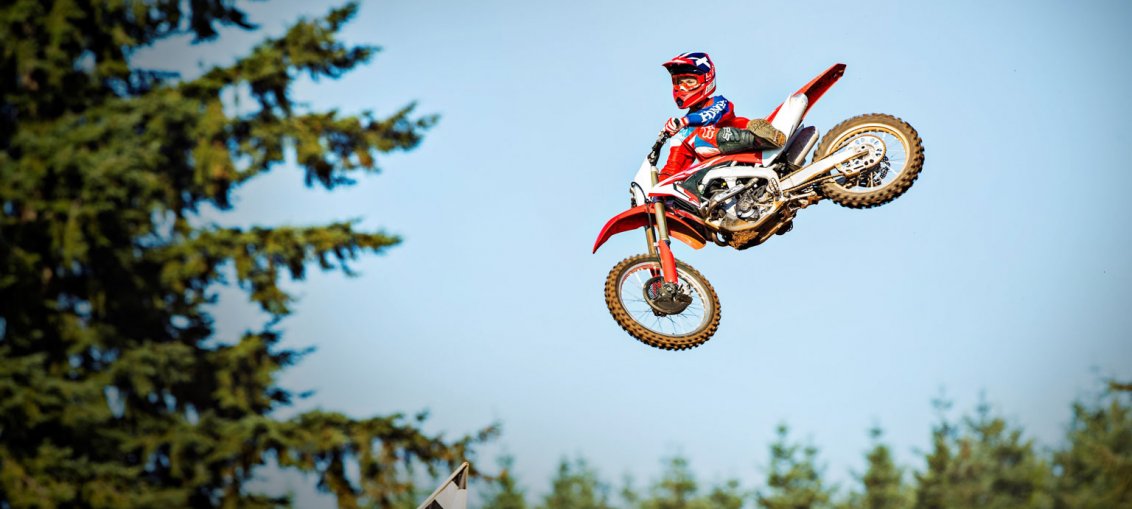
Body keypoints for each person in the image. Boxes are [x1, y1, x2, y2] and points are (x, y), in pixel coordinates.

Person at [659, 52, 786, 180]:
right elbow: (671, 170)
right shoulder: (682, 133)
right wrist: (656, 190)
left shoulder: (719, 102)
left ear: (706, 79)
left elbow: (708, 115)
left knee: (702, 136)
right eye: (678, 82)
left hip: (751, 153)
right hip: (718, 176)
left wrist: (684, 121)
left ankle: (761, 139)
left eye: (689, 81)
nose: (682, 87)